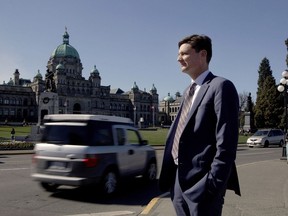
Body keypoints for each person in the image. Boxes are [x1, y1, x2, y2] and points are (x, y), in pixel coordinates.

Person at [159, 34, 241, 216]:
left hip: (203, 184)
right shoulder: (188, 91)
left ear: (202, 54)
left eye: (184, 54)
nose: (178, 58)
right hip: (179, 181)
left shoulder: (221, 86)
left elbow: (227, 143)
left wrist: (213, 185)